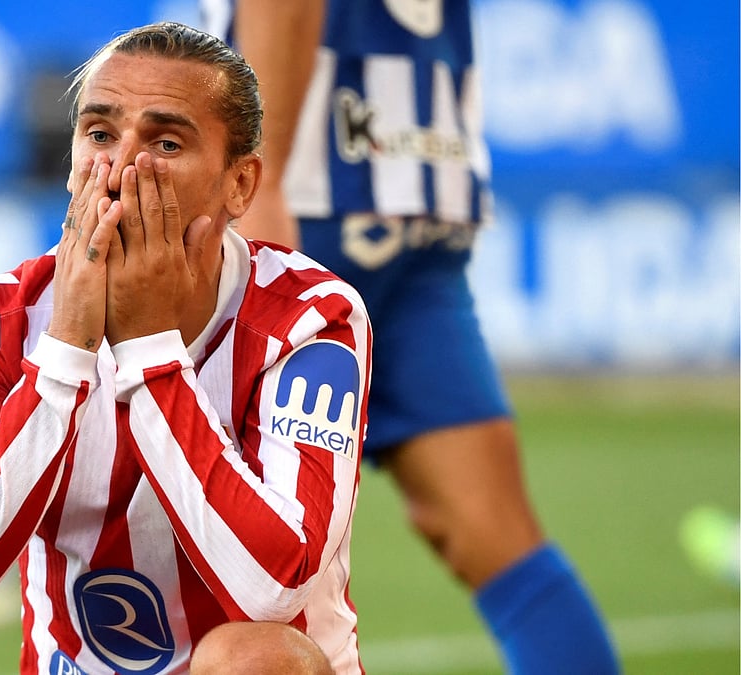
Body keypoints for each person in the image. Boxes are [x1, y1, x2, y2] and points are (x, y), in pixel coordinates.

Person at [0, 21, 372, 674]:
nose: (120, 168)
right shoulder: (1, 317)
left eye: (165, 143)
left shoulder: (308, 318)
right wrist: (65, 351)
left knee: (254, 660)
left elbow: (272, 587)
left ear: (239, 184)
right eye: (98, 134)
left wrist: (149, 349)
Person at [200, 1, 620, 672]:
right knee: (495, 538)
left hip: (310, 196)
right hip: (418, 187)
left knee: (222, 550)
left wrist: (266, 175)